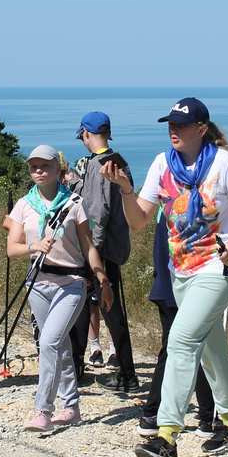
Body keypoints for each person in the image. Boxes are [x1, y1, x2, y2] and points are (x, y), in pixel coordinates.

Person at [104, 97, 228, 457]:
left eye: (182, 125)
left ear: (202, 129)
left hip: (216, 267)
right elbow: (139, 220)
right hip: (181, 269)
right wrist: (126, 189)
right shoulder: (162, 164)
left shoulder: (226, 166)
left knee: (182, 340)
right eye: (170, 124)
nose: (173, 130)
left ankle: (167, 435)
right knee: (212, 347)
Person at [7, 145, 111, 432]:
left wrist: (101, 278)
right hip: (38, 283)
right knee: (59, 345)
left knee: (50, 341)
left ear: (58, 170)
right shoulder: (23, 205)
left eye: (45, 166)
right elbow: (11, 248)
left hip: (72, 283)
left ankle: (43, 410)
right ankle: (72, 406)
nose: (39, 172)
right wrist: (34, 246)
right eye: (34, 167)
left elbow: (88, 245)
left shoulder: (74, 204)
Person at [69, 111, 137, 391]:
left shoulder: (100, 166)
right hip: (112, 246)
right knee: (97, 308)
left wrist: (90, 250)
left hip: (98, 249)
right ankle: (81, 368)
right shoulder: (118, 161)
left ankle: (125, 375)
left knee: (106, 310)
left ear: (86, 133)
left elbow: (97, 211)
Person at [138, 210, 216, 438]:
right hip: (179, 289)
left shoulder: (170, 207)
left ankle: (153, 414)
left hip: (168, 288)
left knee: (174, 349)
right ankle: (206, 416)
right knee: (197, 348)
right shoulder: (184, 209)